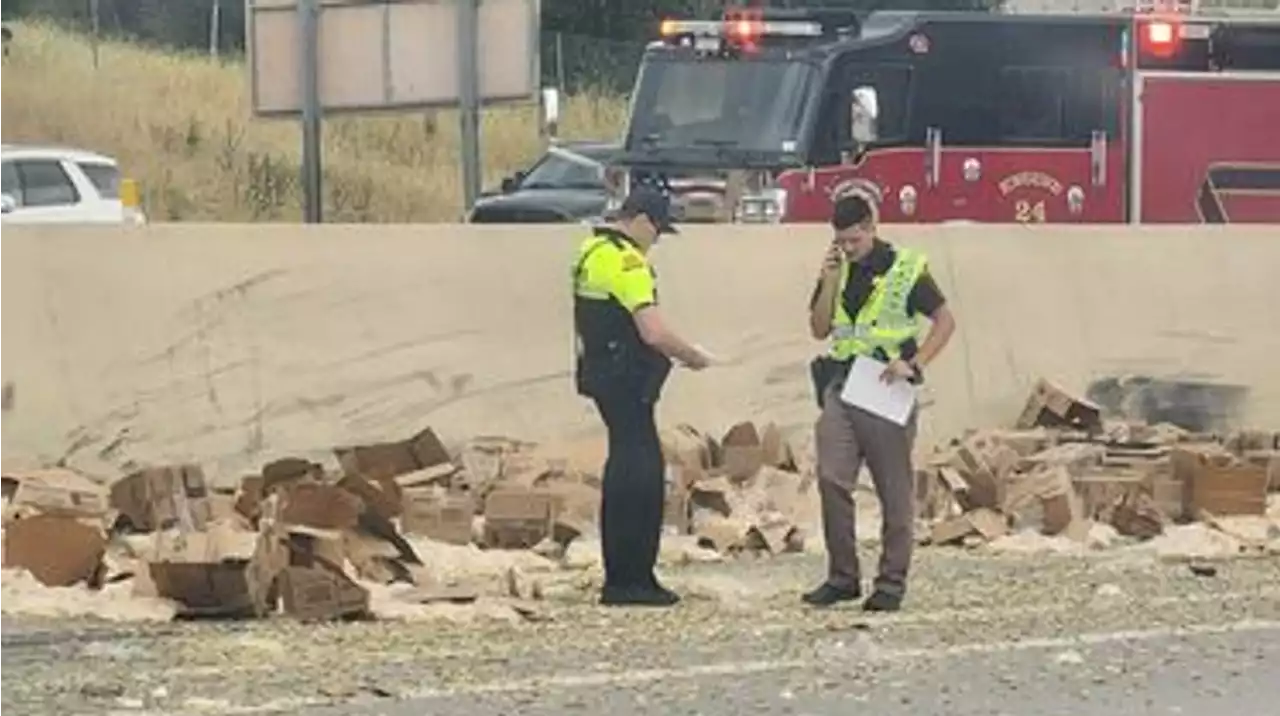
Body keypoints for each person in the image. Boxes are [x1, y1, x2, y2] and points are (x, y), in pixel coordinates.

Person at [802, 190, 956, 612]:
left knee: (893, 489)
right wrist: (830, 280)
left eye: (855, 240)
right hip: (841, 383)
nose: (848, 248)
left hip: (885, 386)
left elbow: (945, 320)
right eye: (842, 241)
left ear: (871, 229)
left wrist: (917, 362)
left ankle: (890, 582)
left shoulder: (906, 269)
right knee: (833, 477)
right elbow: (818, 328)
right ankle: (842, 576)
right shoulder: (837, 268)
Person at [571, 185, 714, 607]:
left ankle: (621, 575)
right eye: (657, 230)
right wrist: (692, 355)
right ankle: (634, 579)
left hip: (600, 372)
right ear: (641, 221)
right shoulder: (627, 261)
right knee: (642, 470)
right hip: (627, 378)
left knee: (624, 462)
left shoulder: (590, 251)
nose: (655, 242)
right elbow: (652, 331)